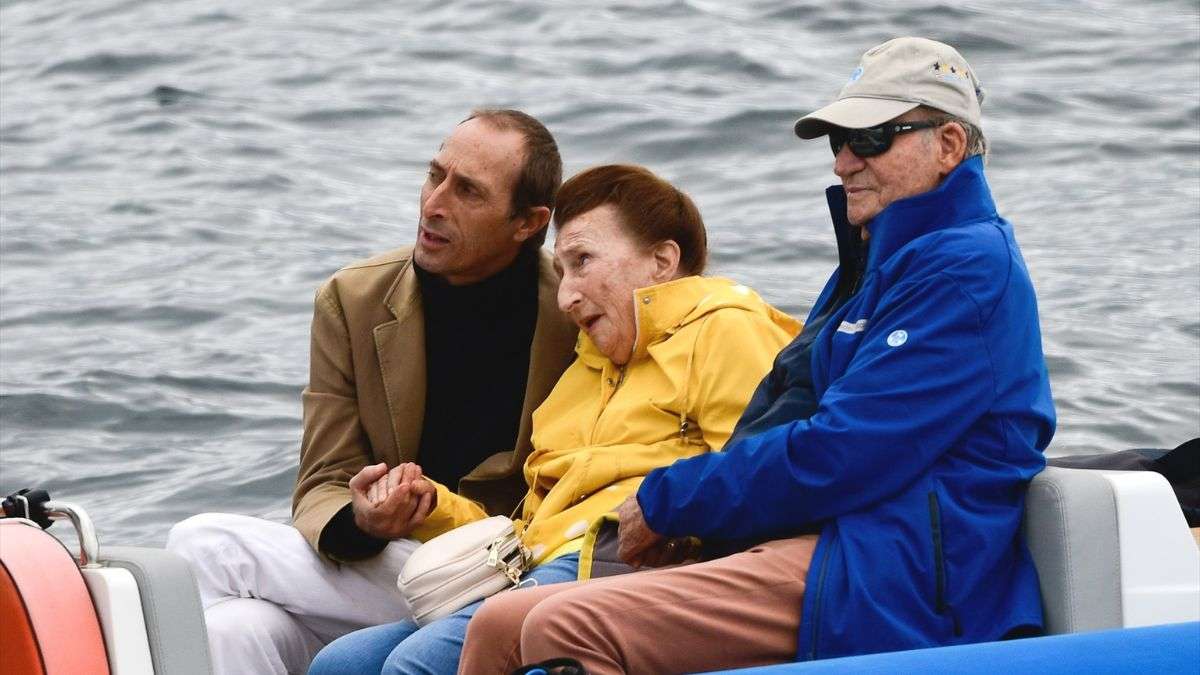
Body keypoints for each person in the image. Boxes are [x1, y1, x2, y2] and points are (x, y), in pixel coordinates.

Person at [458, 37, 1056, 674]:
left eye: (871, 138)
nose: (844, 162)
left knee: (566, 625)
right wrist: (702, 527)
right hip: (828, 541)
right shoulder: (879, 263)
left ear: (950, 145)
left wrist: (672, 501)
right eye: (839, 141)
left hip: (893, 574)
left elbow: (846, 452)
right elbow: (789, 416)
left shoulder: (963, 270)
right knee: (500, 625)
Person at [307, 164, 800, 675]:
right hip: (536, 565)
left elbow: (760, 475)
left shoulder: (727, 329)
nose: (566, 297)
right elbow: (533, 528)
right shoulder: (584, 370)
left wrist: (672, 518)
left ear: (662, 260)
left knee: (417, 664)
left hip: (631, 562)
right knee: (340, 664)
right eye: (561, 272)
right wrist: (430, 503)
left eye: (583, 261)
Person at [164, 109, 579, 675]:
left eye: (468, 192)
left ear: (528, 222)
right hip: (393, 567)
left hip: (515, 571)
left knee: (203, 544)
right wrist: (363, 521)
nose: (434, 204)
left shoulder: (574, 310)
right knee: (235, 628)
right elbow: (323, 480)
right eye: (435, 176)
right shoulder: (353, 300)